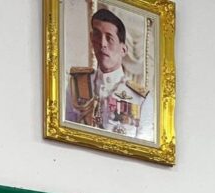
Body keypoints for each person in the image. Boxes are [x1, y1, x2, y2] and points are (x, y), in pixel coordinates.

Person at [65, 7, 154, 141]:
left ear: (123, 50)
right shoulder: (76, 84)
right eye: (97, 35)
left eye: (109, 38)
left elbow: (143, 144)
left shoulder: (141, 99)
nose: (102, 44)